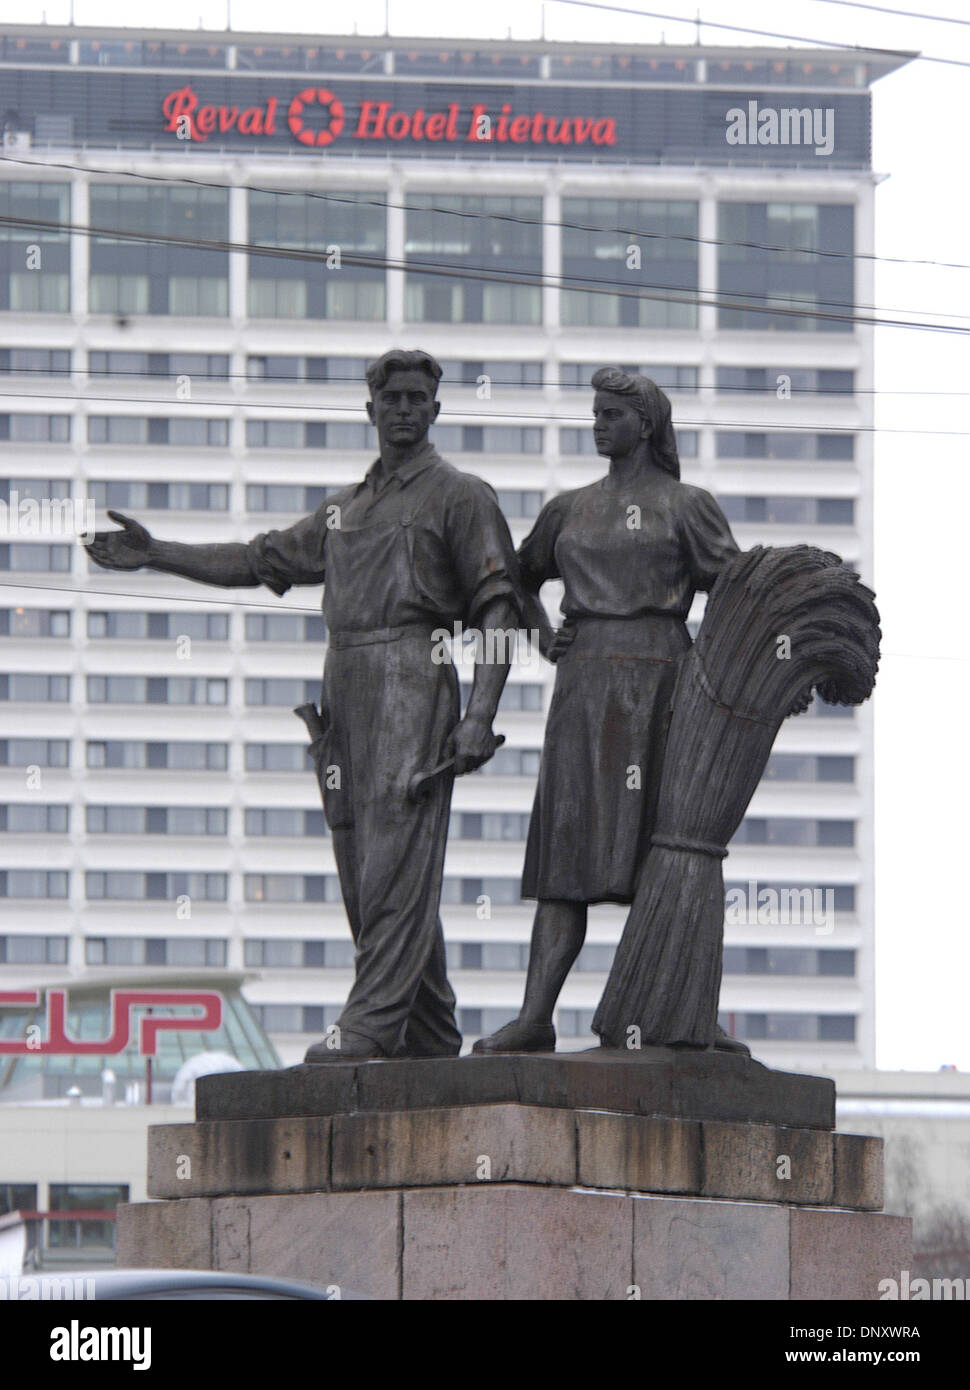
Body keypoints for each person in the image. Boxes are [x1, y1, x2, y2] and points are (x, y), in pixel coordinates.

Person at [86, 349, 520, 1062]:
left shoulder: (461, 497)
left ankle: (374, 1020)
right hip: (344, 685)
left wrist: (480, 714)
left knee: (392, 860)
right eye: (393, 399)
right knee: (365, 863)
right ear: (371, 410)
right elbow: (258, 562)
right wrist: (156, 553)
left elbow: (498, 610)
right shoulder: (343, 511)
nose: (405, 410)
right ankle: (430, 1032)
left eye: (418, 398)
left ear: (436, 410)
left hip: (414, 677)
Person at [474, 366, 743, 1054]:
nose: (596, 424)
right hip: (584, 687)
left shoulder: (687, 506)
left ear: (645, 425)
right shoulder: (568, 508)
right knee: (565, 857)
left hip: (661, 686)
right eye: (593, 413)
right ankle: (536, 1016)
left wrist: (714, 680)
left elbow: (736, 593)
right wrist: (542, 634)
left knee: (667, 849)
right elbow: (514, 579)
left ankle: (685, 1010)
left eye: (610, 415)